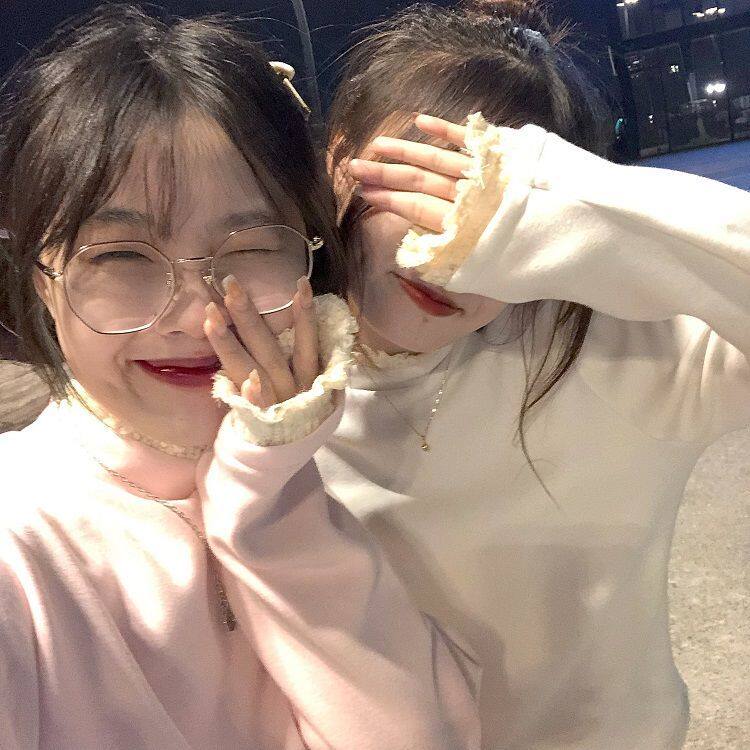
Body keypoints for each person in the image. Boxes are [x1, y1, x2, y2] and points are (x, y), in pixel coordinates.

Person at [0, 6, 481, 749]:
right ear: (42, 275)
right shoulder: (19, 542)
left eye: (252, 247)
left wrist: (270, 497)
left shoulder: (307, 457)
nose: (201, 316)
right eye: (120, 256)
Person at [318, 1, 750, 748]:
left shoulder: (620, 352)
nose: (449, 250)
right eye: (427, 180)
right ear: (338, 163)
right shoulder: (259, 379)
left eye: (487, 205)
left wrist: (570, 198)